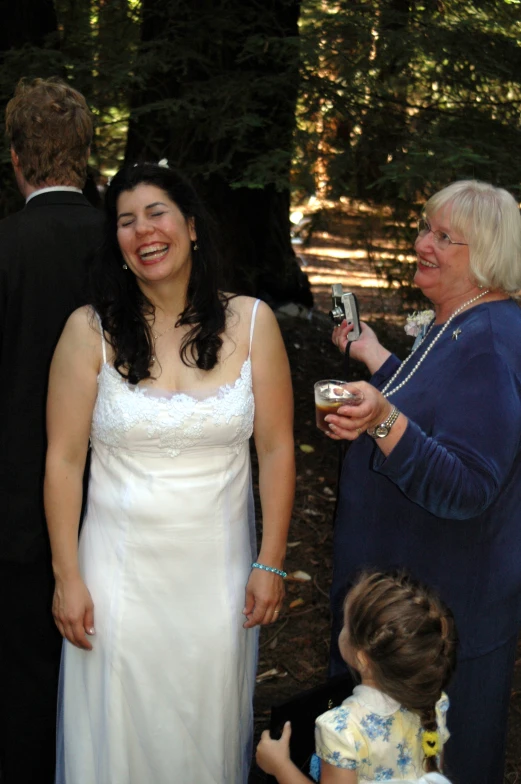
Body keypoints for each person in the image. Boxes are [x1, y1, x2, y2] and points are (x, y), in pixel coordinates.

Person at [44, 162, 295, 784]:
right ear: (118, 246)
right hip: (116, 580)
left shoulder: (254, 323)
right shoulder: (87, 332)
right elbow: (63, 460)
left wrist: (270, 561)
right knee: (118, 736)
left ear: (191, 226)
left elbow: (278, 449)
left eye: (156, 213)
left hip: (219, 582)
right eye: (126, 221)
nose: (143, 231)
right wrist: (66, 577)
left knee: (201, 733)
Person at [325, 180, 521, 784]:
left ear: (485, 255)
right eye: (425, 229)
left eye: (443, 237)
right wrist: (375, 356)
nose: (422, 244)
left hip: (440, 628)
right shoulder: (457, 322)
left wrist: (380, 419)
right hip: (411, 617)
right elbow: (433, 402)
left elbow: (467, 484)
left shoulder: (488, 340)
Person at [0, 77, 104, 784]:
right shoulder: (132, 245)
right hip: (116, 501)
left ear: (15, 158)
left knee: (21, 691)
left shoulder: (5, 247)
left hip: (12, 509)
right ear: (88, 155)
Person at [256, 570, 456, 783]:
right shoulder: (433, 702)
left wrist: (280, 766)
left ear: (362, 659)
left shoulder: (342, 729)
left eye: (347, 625)